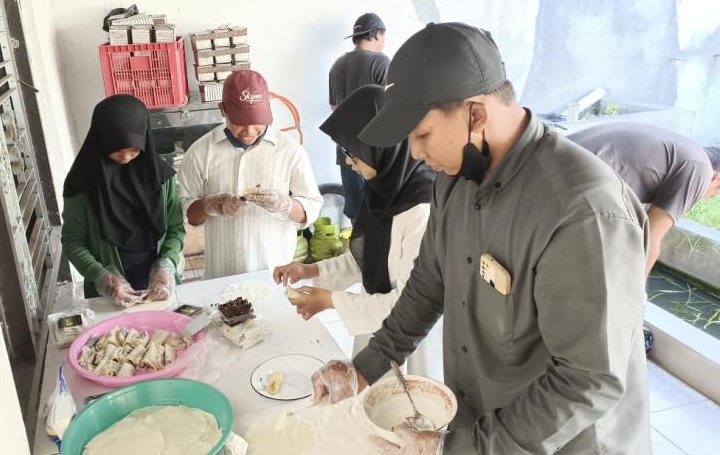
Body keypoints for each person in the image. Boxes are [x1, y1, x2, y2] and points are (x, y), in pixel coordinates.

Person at [311, 23, 651, 454]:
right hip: (482, 423)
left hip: (561, 442)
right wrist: (361, 370)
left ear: (476, 113)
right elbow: (426, 287)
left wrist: (460, 448)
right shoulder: (453, 180)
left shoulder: (580, 211)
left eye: (422, 134)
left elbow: (588, 379)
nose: (414, 153)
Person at [273, 85, 441, 379]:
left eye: (353, 153)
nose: (349, 162)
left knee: (401, 412)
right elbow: (364, 258)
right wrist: (308, 270)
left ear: (382, 146)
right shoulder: (383, 191)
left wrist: (331, 300)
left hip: (407, 340)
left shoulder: (419, 210)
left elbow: (408, 304)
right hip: (374, 322)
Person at [177, 70, 323, 279]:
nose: (249, 131)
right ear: (223, 110)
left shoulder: (289, 150)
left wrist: (285, 205)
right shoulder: (201, 151)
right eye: (240, 122)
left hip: (275, 272)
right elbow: (186, 213)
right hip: (222, 273)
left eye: (257, 121)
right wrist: (209, 205)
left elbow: (311, 208)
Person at [61, 95, 185, 307]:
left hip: (159, 288)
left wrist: (166, 265)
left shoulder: (160, 178)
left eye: (135, 150)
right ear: (101, 140)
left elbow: (175, 229)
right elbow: (73, 241)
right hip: (109, 296)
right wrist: (102, 278)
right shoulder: (82, 185)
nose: (127, 158)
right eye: (118, 152)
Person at [568, 123, 720, 276]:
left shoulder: (680, 150)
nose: (704, 198)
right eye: (713, 194)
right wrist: (637, 294)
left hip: (554, 161)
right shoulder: (700, 169)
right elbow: (650, 238)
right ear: (717, 178)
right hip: (573, 180)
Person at [329, 12, 391, 221]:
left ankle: (357, 254)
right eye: (383, 37)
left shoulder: (337, 65)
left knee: (357, 213)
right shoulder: (381, 62)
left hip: (346, 152)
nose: (383, 42)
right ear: (375, 35)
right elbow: (391, 109)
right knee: (381, 213)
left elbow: (333, 107)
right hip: (375, 154)